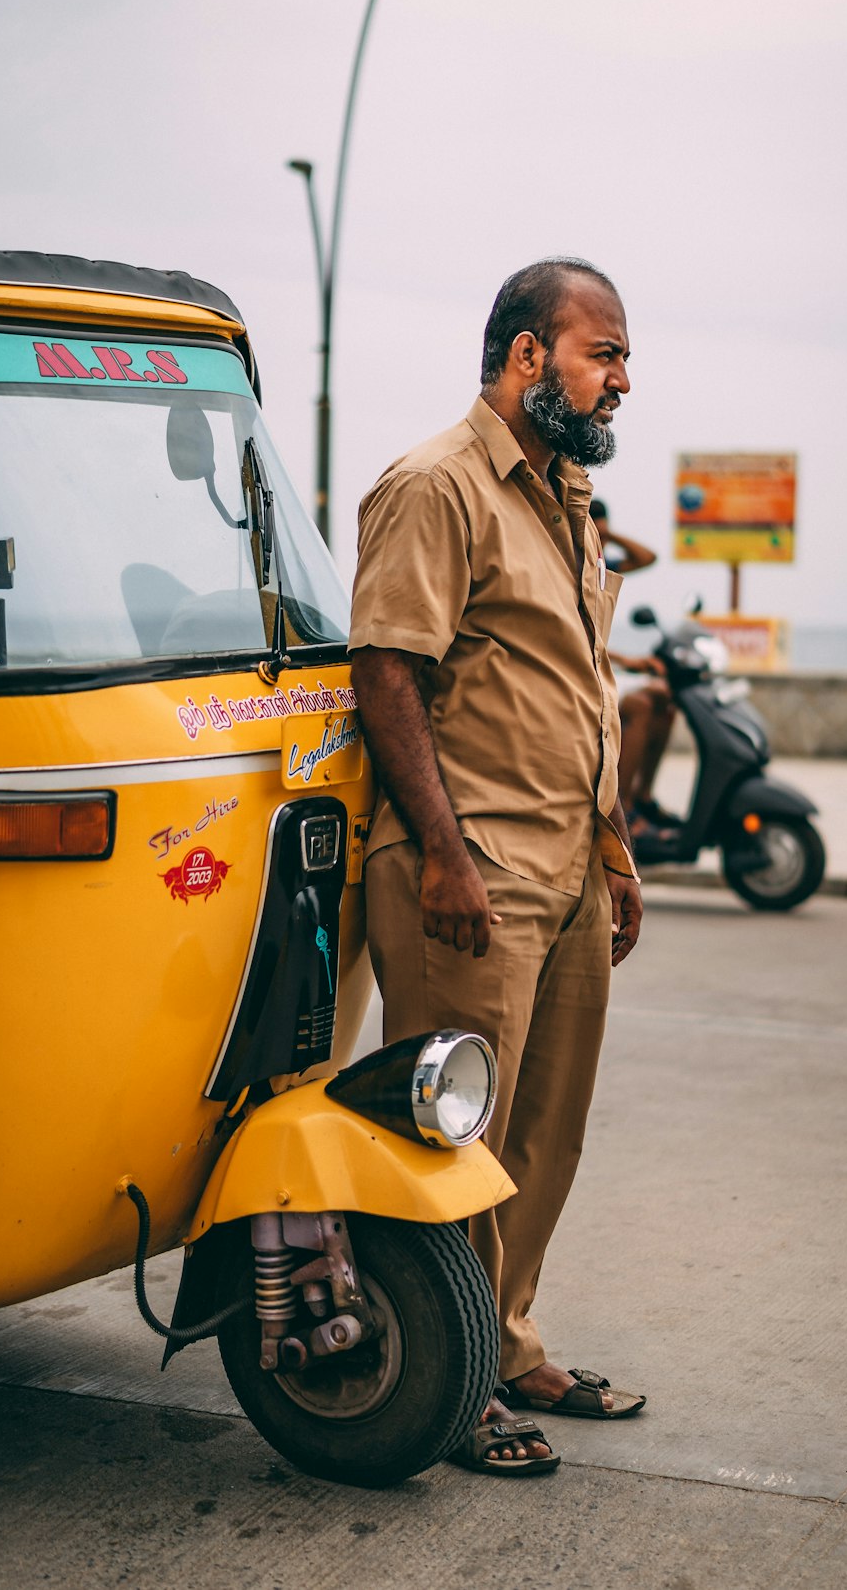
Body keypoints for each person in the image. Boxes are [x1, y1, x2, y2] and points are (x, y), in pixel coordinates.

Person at [349, 257, 646, 1477]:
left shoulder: (565, 493)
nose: (623, 380)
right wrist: (443, 853)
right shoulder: (436, 486)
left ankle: (508, 1337)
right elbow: (386, 671)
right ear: (529, 356)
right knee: (454, 1142)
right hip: (467, 873)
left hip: (567, 866)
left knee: (542, 1133)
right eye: (604, 353)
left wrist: (615, 849)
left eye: (623, 359)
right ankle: (451, 1381)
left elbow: (577, 686)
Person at [589, 498, 680, 831]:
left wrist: (610, 535)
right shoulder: (572, 561)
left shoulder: (605, 564)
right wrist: (626, 659)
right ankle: (623, 806)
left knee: (665, 703)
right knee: (641, 705)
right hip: (584, 669)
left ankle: (643, 795)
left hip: (601, 663)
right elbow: (577, 634)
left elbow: (648, 558)